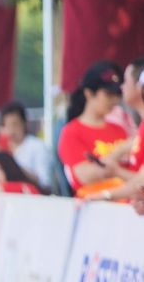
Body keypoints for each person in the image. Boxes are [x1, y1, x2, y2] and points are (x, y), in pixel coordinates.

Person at [57, 61, 134, 197]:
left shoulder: (119, 130)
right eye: (108, 94)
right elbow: (84, 176)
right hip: (92, 204)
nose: (114, 100)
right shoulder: (72, 132)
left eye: (117, 95)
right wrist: (120, 150)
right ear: (89, 93)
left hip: (124, 202)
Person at [0, 101, 52, 192]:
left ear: (24, 123)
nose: (11, 130)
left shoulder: (37, 147)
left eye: (15, 124)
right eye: (7, 125)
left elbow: (45, 182)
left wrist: (14, 166)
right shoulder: (1, 149)